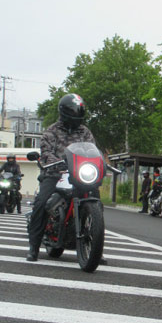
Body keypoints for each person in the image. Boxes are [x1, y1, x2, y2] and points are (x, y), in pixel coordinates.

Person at [26, 93, 96, 261]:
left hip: (78, 174)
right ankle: (34, 246)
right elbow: (46, 152)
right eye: (74, 110)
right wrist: (58, 163)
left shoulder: (85, 132)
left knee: (96, 199)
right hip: (55, 173)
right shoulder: (52, 131)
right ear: (65, 111)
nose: (77, 113)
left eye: (79, 110)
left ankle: (95, 248)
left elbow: (92, 150)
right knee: (41, 203)